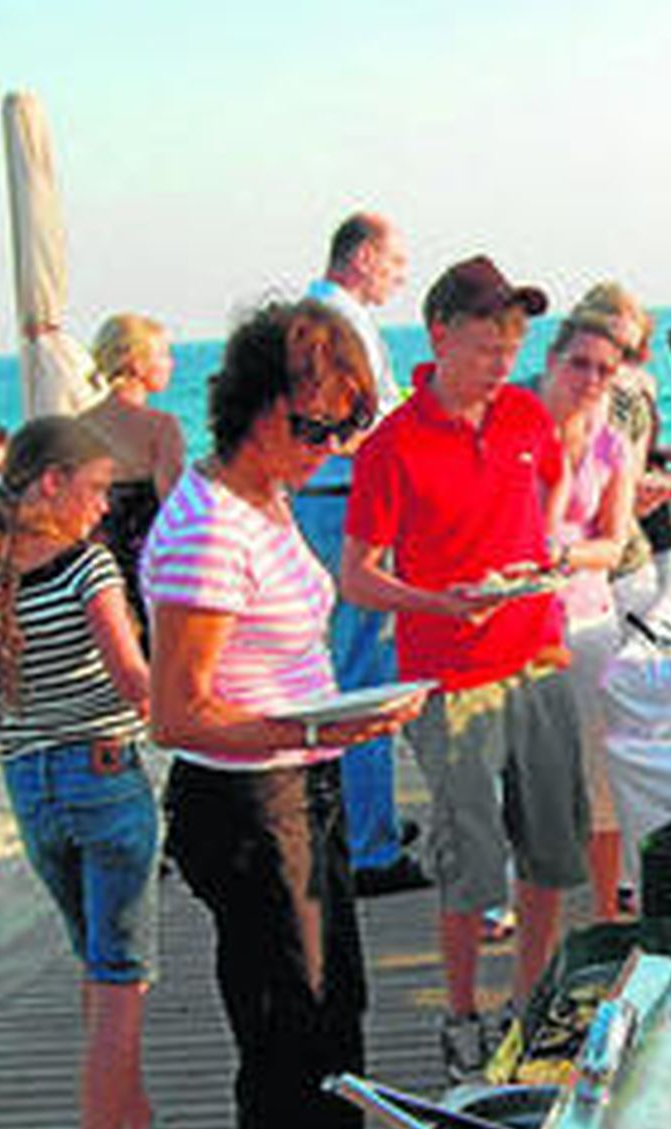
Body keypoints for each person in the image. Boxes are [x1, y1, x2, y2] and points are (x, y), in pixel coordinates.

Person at [141, 301, 427, 1129]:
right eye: (315, 427)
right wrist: (316, 728)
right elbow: (177, 716)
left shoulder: (263, 498)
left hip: (301, 782)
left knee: (333, 1006)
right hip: (248, 804)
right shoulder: (208, 529)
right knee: (283, 1036)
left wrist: (328, 728)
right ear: (257, 407)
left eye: (346, 427)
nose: (331, 447)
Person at [341, 256, 589, 1083]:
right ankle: (462, 1014)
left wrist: (547, 553)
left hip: (541, 654)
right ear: (440, 334)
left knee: (553, 849)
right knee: (470, 858)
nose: (502, 363)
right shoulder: (392, 446)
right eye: (487, 345)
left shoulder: (523, 415)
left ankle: (528, 1007)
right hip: (449, 673)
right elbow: (357, 575)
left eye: (513, 345)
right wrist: (438, 603)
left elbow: (548, 497)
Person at [0, 416, 159, 1129]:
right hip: (103, 773)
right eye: (96, 490)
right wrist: (211, 705)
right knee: (120, 977)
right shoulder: (84, 568)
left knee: (95, 961)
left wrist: (32, 717)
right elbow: (134, 679)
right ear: (54, 484)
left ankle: (133, 1118)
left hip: (29, 784)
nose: (103, 508)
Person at [294, 212, 427, 898]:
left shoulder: (324, 314)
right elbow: (366, 421)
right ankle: (368, 848)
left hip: (326, 497)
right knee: (366, 670)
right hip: (344, 499)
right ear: (365, 255)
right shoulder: (336, 320)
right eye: (396, 259)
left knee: (351, 663)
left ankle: (364, 819)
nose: (403, 274)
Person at [537, 317, 639, 920]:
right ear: (552, 360)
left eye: (605, 368)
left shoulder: (612, 445)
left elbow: (615, 542)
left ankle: (605, 914)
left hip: (588, 620)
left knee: (601, 786)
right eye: (580, 363)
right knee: (532, 788)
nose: (592, 379)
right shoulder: (514, 432)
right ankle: (524, 909)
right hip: (520, 628)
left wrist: (561, 555)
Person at [565, 282, 671, 617]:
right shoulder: (536, 400)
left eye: (628, 352)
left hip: (624, 572)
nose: (616, 363)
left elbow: (622, 493)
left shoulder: (629, 403)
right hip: (564, 583)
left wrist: (637, 499)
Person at [79, 313, 186, 639]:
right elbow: (175, 510)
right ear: (136, 364)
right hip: (153, 565)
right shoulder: (160, 427)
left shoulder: (80, 426)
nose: (171, 364)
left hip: (99, 569)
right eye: (163, 354)